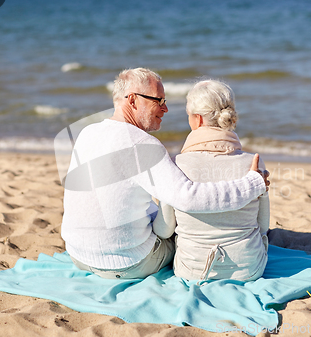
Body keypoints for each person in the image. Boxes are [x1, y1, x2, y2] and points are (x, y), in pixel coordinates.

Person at [60, 68, 269, 279]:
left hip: (77, 254)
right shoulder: (143, 144)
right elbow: (188, 198)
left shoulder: (87, 133)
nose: (166, 108)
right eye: (158, 100)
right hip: (127, 263)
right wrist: (252, 183)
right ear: (132, 100)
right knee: (176, 233)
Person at [169, 79, 270, 283]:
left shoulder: (176, 165)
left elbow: (165, 229)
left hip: (191, 271)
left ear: (196, 119)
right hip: (250, 270)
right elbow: (263, 225)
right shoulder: (254, 163)